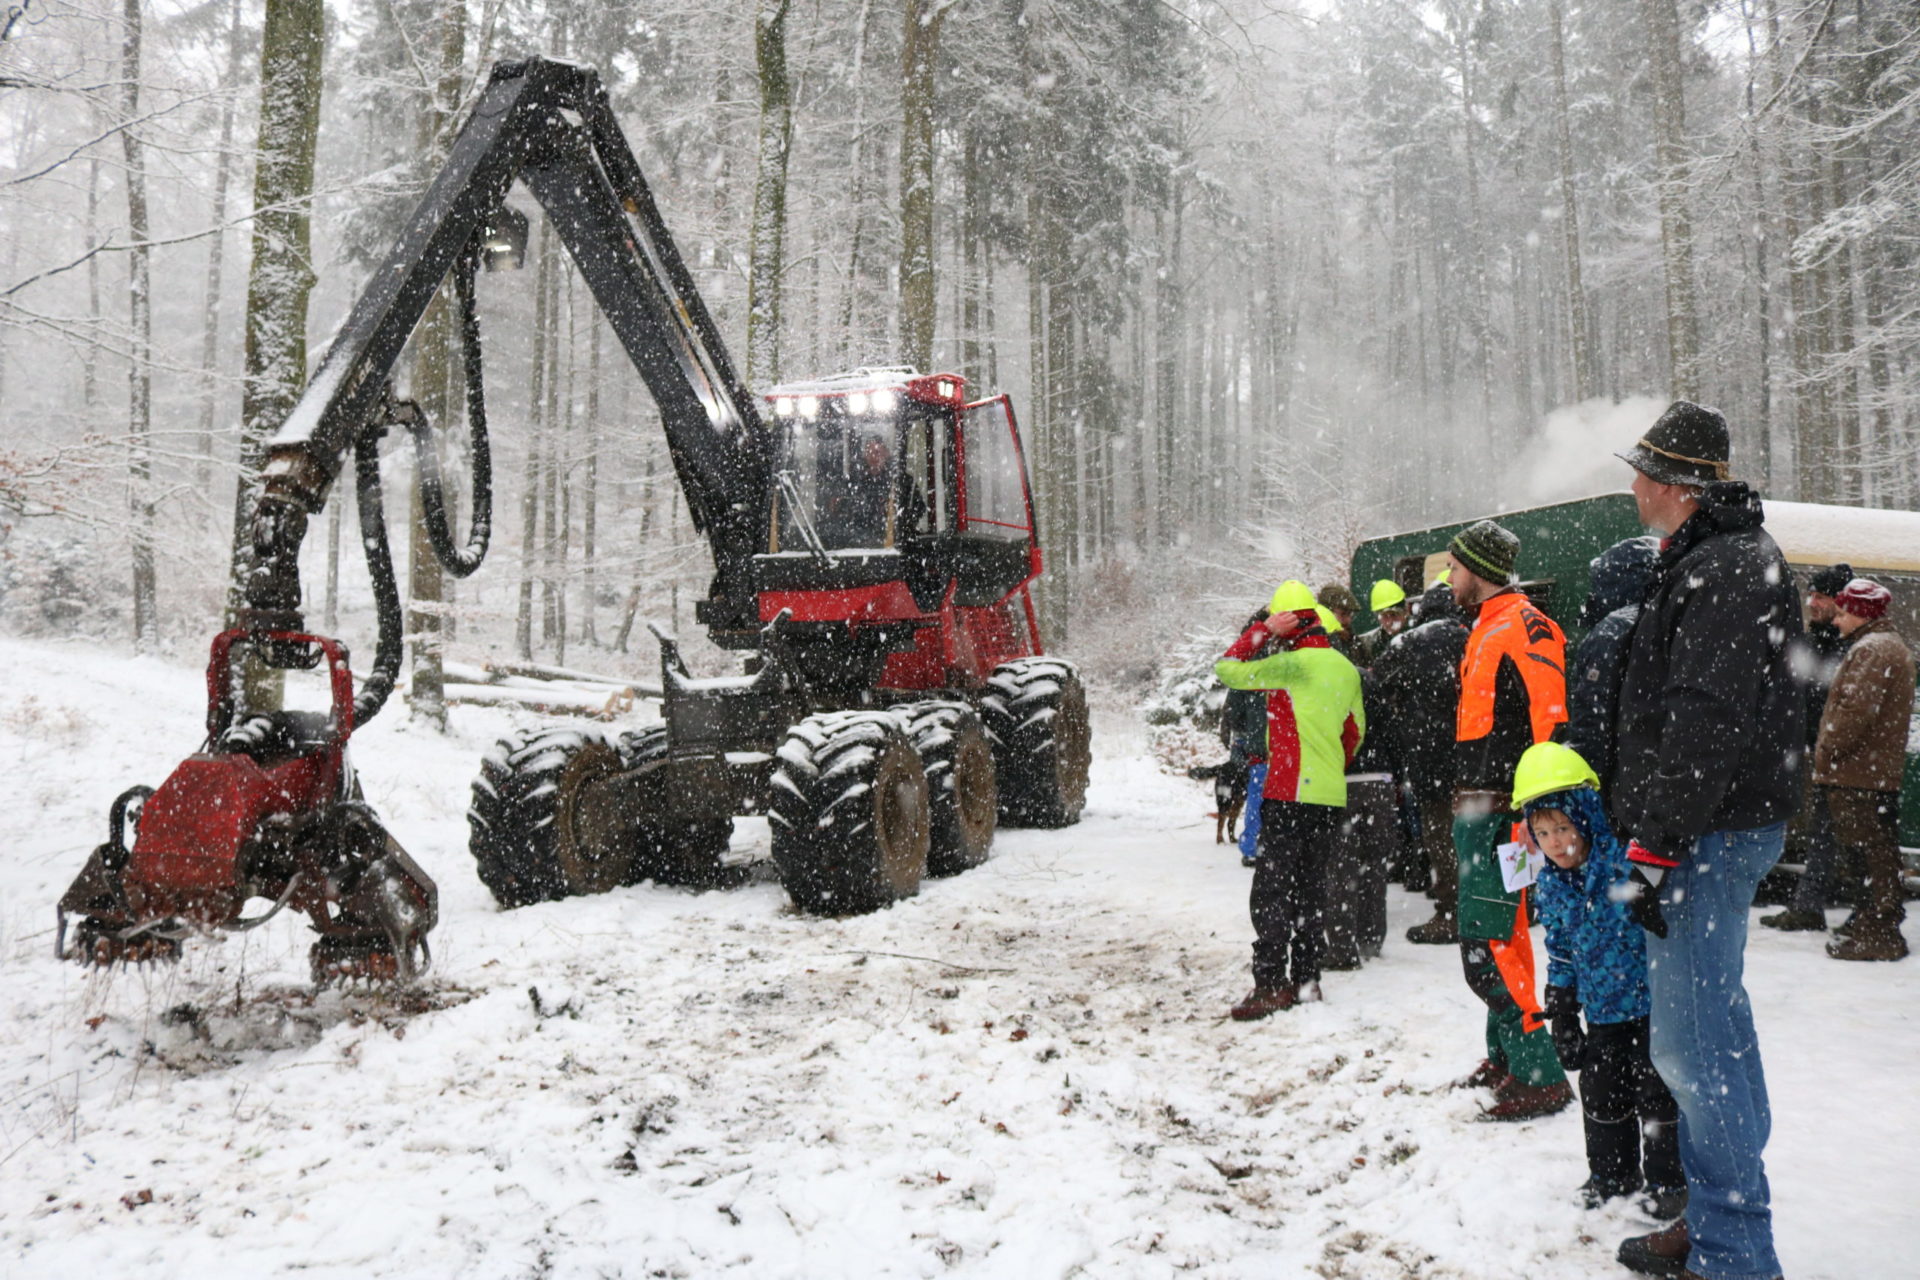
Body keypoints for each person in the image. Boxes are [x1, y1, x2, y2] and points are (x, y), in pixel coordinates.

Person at [1608, 401, 1803, 1280]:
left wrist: (1657, 839)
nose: (1634, 484)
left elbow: (1706, 717)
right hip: (1711, 828)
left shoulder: (1726, 565)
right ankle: (1719, 1215)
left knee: (1689, 1044)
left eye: (1643, 471)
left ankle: (1735, 1251)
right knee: (1712, 1026)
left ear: (1676, 486)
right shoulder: (1715, 556)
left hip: (1706, 838)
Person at [1515, 742, 1687, 1219]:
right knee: (1601, 1090)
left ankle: (1669, 1180)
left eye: (1564, 828)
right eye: (1542, 832)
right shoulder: (1551, 882)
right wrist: (1563, 1005)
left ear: (1587, 819)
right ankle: (1613, 1174)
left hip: (1650, 1006)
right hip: (1602, 1012)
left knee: (1657, 1095)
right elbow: (1561, 948)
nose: (1554, 842)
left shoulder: (1623, 869)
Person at [1443, 518, 1574, 1121]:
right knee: (1504, 937)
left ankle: (1540, 1073)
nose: (1449, 576)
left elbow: (1551, 717)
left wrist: (1534, 811)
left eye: (1454, 565)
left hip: (1502, 815)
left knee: (1489, 941)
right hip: (1482, 809)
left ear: (1479, 569)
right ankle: (1506, 1056)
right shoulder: (1489, 624)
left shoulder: (1522, 626)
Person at [1216, 580, 1365, 1019]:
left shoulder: (1290, 666)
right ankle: (1307, 980)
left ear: (1287, 624)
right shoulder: (1345, 668)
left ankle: (1270, 984)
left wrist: (1261, 630)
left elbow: (1227, 668)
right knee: (1312, 889)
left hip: (1287, 789)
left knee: (1272, 891)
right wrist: (1328, 766)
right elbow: (1354, 732)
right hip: (1329, 795)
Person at [1811, 577, 1916, 962]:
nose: (1835, 621)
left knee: (1867, 857)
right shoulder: (1881, 646)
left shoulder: (1873, 650)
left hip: (1858, 776)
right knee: (1874, 854)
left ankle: (1879, 933)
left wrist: (1826, 752)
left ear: (1860, 613)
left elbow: (1855, 713)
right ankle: (1875, 925)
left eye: (1841, 613)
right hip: (1868, 774)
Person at [1760, 562, 1855, 933]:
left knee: (1828, 832)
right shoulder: (1809, 639)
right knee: (1818, 831)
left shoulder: (1850, 646)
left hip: (1828, 751)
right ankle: (1809, 902)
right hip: (1800, 748)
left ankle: (1814, 904)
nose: (1812, 602)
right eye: (1810, 595)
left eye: (1821, 596)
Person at [1376, 582, 1471, 932]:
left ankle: (1450, 912)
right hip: (1477, 759)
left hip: (1428, 760)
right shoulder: (1475, 636)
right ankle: (1487, 908)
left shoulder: (1408, 643)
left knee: (1440, 835)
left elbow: (1376, 692)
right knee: (1479, 836)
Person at [1561, 536, 1658, 794]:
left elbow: (1593, 716)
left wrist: (1584, 781)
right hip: (1668, 778)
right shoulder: (1671, 617)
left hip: (1626, 780)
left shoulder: (1612, 631)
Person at [1354, 579, 1411, 666]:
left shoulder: (1419, 636)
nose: (1389, 622)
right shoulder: (1369, 644)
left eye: (1394, 614)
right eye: (1384, 616)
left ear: (1406, 612)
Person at [1318, 582, 1359, 656]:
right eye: (1343, 614)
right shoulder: (1319, 643)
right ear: (1327, 613)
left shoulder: (1353, 640)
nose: (1348, 620)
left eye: (1350, 614)